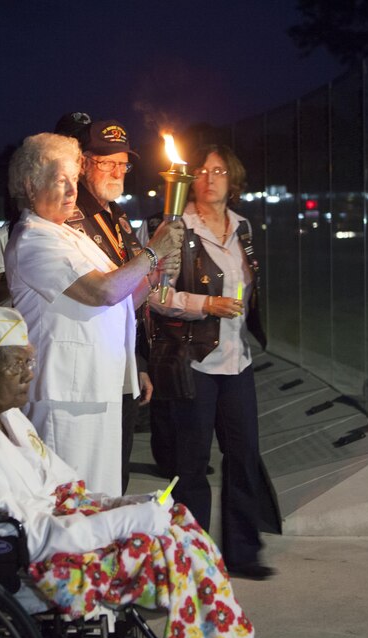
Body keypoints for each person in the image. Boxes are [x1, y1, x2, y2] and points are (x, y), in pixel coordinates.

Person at [0, 307, 354, 638]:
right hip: (18, 565)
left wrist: (123, 504)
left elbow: (63, 486)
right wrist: (129, 522)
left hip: (42, 544)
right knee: (178, 557)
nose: (29, 372)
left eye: (29, 361)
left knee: (184, 531)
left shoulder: (3, 415)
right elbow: (26, 536)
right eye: (16, 364)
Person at [4, 132, 183, 497]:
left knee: (101, 495)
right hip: (64, 396)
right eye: (60, 181)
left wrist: (156, 271)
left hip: (98, 387)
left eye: (74, 179)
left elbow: (123, 301)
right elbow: (101, 291)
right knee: (68, 501)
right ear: (29, 184)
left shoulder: (71, 235)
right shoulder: (33, 239)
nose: (72, 191)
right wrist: (151, 252)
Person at [147, 144, 279, 581]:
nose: (210, 176)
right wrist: (207, 304)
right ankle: (193, 561)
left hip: (237, 361)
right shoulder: (176, 228)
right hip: (195, 363)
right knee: (192, 465)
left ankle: (242, 553)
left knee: (243, 456)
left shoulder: (243, 228)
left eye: (220, 170)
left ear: (233, 180)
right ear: (191, 181)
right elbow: (156, 295)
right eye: (202, 170)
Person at [59, 117, 154, 493]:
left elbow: (131, 299)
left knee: (117, 475)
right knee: (84, 482)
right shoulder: (68, 217)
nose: (118, 171)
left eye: (123, 163)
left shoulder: (117, 217)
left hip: (119, 366)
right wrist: (152, 255)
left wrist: (138, 363)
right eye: (106, 162)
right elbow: (103, 294)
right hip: (84, 374)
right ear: (83, 162)